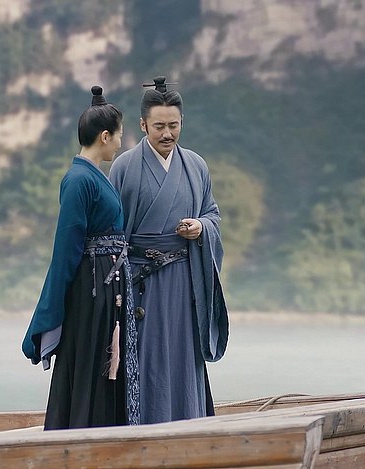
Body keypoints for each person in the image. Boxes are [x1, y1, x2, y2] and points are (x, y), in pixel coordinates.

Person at [109, 76, 228, 424]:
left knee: (183, 357)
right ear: (143, 125)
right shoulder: (124, 167)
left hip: (183, 282)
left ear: (182, 123)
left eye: (173, 125)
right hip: (140, 284)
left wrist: (201, 227)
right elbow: (112, 232)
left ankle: (189, 425)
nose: (167, 134)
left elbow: (212, 215)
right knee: (146, 359)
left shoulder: (196, 166)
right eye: (159, 126)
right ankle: (142, 427)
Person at [22, 86, 139, 429]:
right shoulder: (78, 180)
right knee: (92, 360)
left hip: (105, 287)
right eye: (119, 136)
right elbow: (67, 248)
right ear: (105, 136)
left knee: (104, 361)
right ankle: (83, 434)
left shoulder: (93, 177)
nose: (120, 143)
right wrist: (50, 309)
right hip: (92, 292)